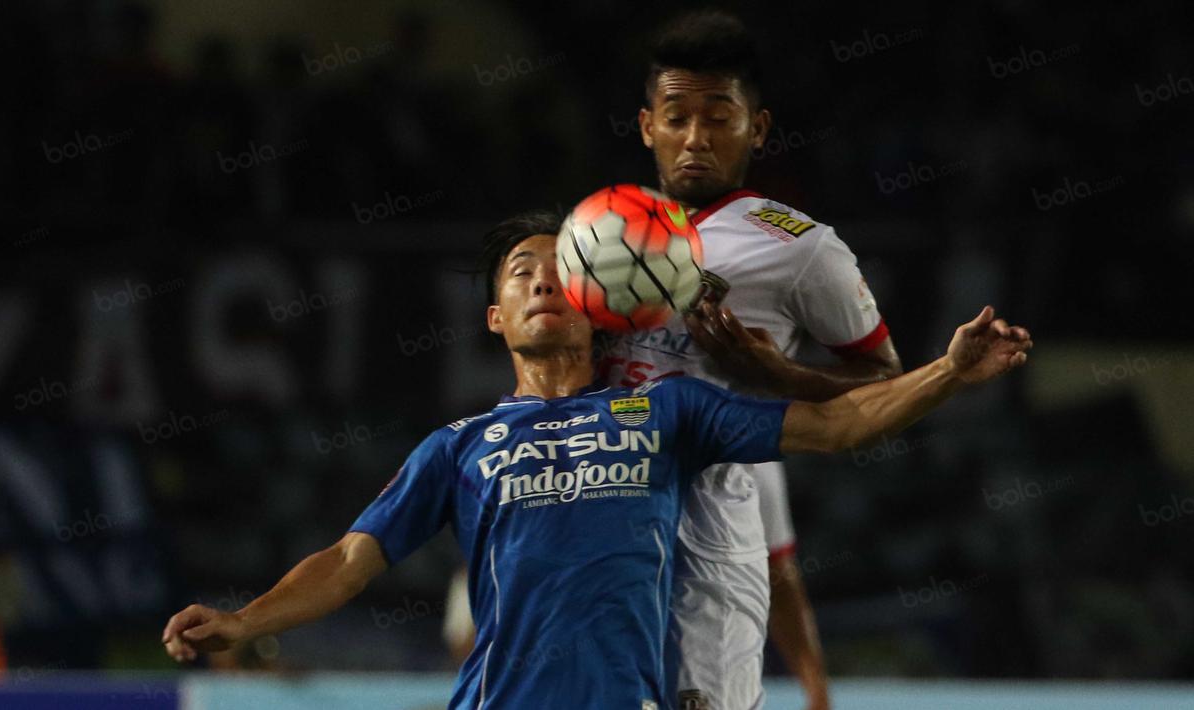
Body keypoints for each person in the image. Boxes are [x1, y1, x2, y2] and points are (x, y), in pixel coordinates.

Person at [161, 211, 1031, 709]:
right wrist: (249, 619)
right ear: (496, 316)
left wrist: (946, 374)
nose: (541, 280)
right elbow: (352, 558)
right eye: (519, 272)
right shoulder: (460, 445)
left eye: (559, 270)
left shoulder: (667, 411)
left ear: (596, 307)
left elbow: (839, 426)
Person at [600, 11, 901, 709]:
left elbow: (885, 378)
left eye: (718, 117)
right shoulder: (601, 232)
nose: (695, 139)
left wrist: (780, 378)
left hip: (713, 525)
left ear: (756, 128)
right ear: (647, 126)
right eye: (675, 117)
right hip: (601, 522)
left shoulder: (799, 245)